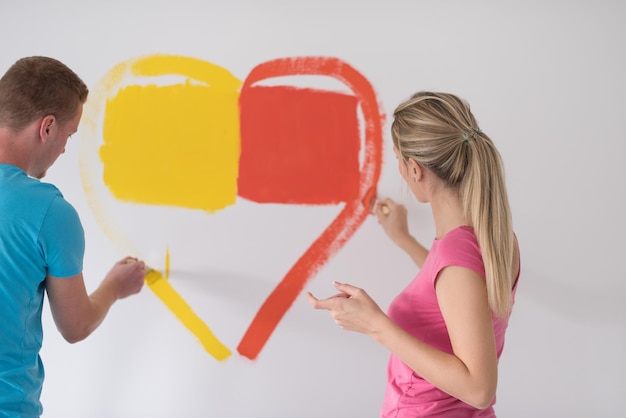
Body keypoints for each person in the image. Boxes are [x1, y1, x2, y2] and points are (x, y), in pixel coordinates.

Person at [308, 91, 520, 417]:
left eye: (397, 158)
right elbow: (454, 298)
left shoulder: (456, 259)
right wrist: (404, 239)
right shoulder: (492, 239)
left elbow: (479, 390)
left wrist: (376, 325)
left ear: (415, 168)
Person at [0, 56, 146, 417]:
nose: (65, 147)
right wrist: (115, 286)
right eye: (69, 134)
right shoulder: (48, 211)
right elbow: (75, 325)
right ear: (47, 127)